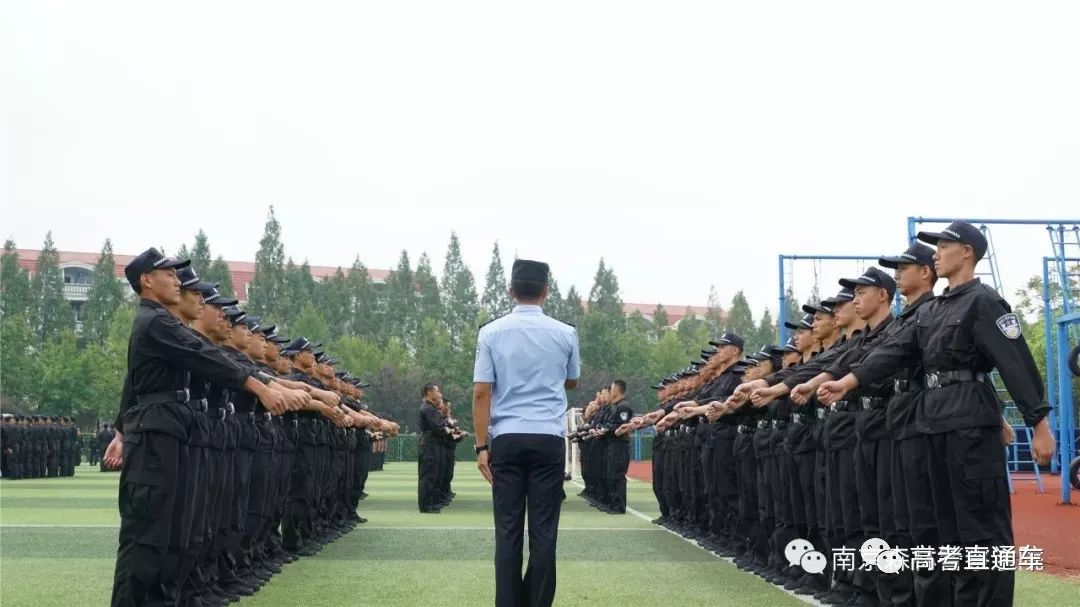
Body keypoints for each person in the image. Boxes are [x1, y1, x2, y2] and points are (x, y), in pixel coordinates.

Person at [819, 221, 1055, 607]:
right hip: (933, 423)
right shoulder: (934, 310)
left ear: (967, 252)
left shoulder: (985, 302)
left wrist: (1039, 422)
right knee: (947, 535)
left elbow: (1015, 362)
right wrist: (848, 381)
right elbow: (893, 352)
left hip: (969, 425)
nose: (937, 253)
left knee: (981, 530)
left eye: (944, 246)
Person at [472, 259, 580, 607]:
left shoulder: (490, 332)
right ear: (546, 291)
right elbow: (572, 379)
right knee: (544, 530)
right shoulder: (566, 333)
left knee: (507, 530)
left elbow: (481, 392)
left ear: (510, 291)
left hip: (506, 437)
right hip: (548, 438)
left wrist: (481, 446)